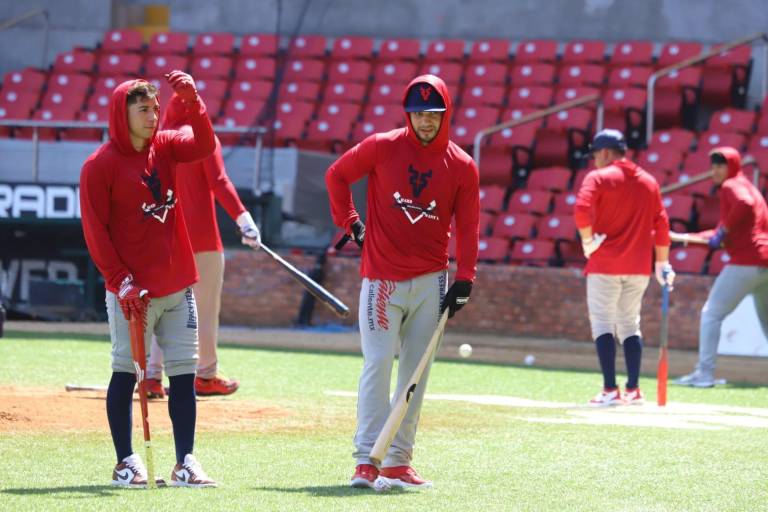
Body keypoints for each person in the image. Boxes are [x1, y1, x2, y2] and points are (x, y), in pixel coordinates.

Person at [326, 74, 480, 490]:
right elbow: (337, 176)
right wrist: (351, 223)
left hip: (432, 282)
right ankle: (364, 460)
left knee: (416, 371)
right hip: (381, 281)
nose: (425, 122)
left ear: (445, 116)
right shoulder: (381, 146)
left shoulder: (463, 166)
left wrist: (465, 276)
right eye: (418, 114)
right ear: (407, 114)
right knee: (377, 364)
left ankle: (396, 461)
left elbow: (468, 226)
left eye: (433, 115)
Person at [80, 72, 217, 488]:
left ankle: (185, 462)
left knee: (182, 375)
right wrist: (120, 281)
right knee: (126, 372)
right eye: (144, 109)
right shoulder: (98, 166)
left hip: (178, 286)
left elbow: (205, 146)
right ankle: (125, 461)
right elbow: (95, 230)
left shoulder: (168, 146)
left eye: (156, 108)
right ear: (122, 114)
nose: (154, 116)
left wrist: (194, 104)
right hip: (131, 293)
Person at [144, 92, 262, 399]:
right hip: (203, 240)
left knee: (160, 308)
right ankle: (205, 375)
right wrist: (243, 219)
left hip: (163, 238)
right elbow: (219, 181)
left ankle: (151, 377)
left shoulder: (156, 142)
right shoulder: (202, 139)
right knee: (205, 310)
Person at [574, 129, 674, 407]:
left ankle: (609, 390)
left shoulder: (598, 177)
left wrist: (587, 241)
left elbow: (581, 209)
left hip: (604, 264)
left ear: (605, 153)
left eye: (595, 155)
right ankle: (634, 389)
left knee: (604, 324)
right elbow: (662, 224)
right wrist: (662, 262)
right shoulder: (649, 181)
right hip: (639, 267)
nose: (594, 160)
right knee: (630, 324)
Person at [674, 147, 768, 387]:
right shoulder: (750, 187)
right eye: (713, 166)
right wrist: (685, 237)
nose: (714, 171)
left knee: (712, 314)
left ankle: (704, 374)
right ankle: (703, 373)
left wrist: (723, 231)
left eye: (720, 166)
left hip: (746, 262)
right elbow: (723, 231)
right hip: (764, 264)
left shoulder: (731, 186)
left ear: (732, 166)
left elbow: (742, 207)